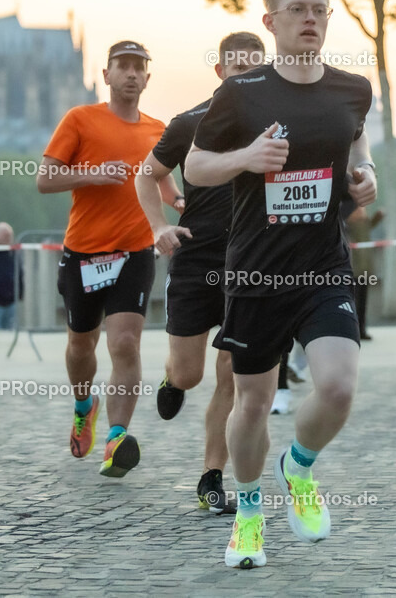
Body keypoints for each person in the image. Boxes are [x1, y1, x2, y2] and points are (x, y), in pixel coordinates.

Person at [185, 0, 376, 569]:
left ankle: (299, 466)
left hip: (322, 264)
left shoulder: (353, 88)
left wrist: (365, 173)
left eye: (319, 9)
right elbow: (194, 167)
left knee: (339, 387)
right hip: (258, 271)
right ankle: (247, 514)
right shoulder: (241, 94)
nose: (311, 19)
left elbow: (358, 140)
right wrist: (247, 156)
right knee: (252, 402)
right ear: (271, 22)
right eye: (296, 10)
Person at [135, 31, 265, 512]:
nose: (245, 77)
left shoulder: (275, 124)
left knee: (232, 370)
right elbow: (146, 174)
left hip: (252, 264)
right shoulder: (190, 121)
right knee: (190, 375)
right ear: (220, 72)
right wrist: (158, 226)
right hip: (195, 258)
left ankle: (211, 477)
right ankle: (172, 379)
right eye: (237, 68)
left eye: (254, 68)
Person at [37, 40, 179, 478]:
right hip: (83, 252)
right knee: (82, 345)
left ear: (148, 78)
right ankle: (85, 405)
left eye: (139, 68)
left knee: (125, 343)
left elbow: (168, 191)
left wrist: (190, 210)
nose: (132, 74)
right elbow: (45, 179)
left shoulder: (158, 131)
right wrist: (92, 174)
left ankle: (117, 438)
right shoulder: (80, 119)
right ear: (107, 75)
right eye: (123, 66)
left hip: (134, 252)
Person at [342, 203, 384, 340]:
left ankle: (361, 329)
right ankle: (352, 330)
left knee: (362, 302)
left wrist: (376, 218)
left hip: (364, 267)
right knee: (352, 302)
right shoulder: (346, 224)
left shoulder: (362, 223)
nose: (361, 210)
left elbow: (367, 229)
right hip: (353, 268)